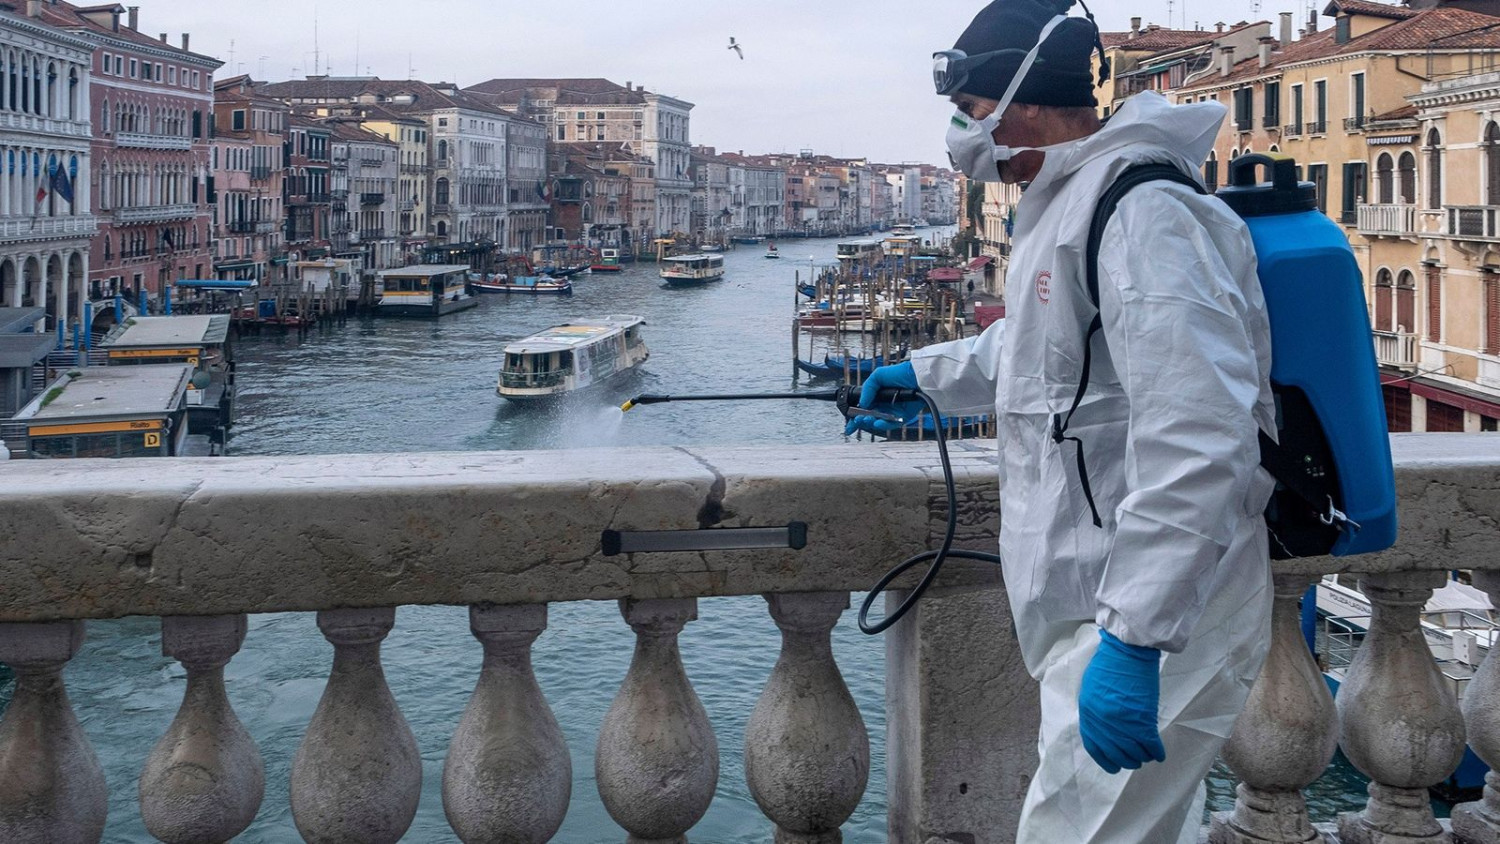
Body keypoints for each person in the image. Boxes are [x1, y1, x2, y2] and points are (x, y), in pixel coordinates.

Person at [848, 1, 1277, 840]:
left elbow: (1201, 429)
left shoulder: (1146, 211)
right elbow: (1045, 352)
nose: (967, 141)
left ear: (1023, 101)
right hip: (1099, 611)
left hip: (1154, 617)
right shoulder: (1073, 201)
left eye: (973, 117)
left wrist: (1137, 639)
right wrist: (926, 376)